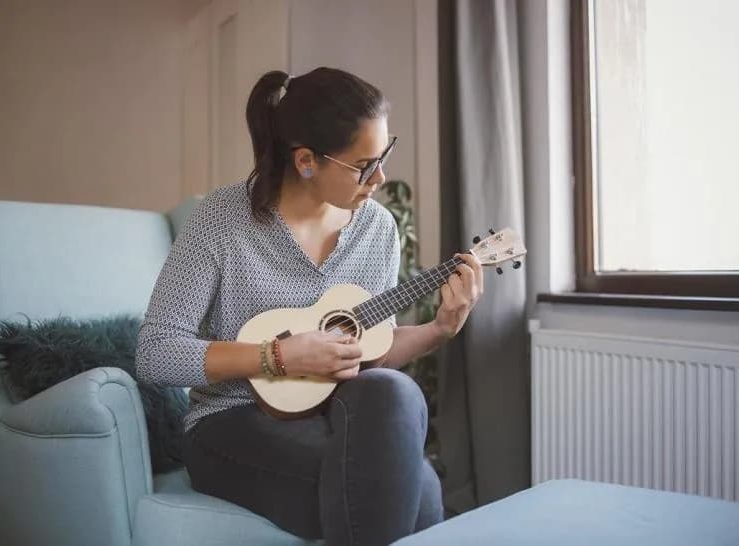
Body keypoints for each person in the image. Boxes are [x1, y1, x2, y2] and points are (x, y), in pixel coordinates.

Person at [135, 67, 483, 545]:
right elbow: (156, 353)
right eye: (364, 165)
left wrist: (440, 329)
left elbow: (368, 352)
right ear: (305, 161)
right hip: (229, 422)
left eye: (384, 155)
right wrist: (276, 356)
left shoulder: (377, 229)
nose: (380, 178)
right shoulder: (221, 219)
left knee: (395, 393)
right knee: (417, 488)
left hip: (333, 411)